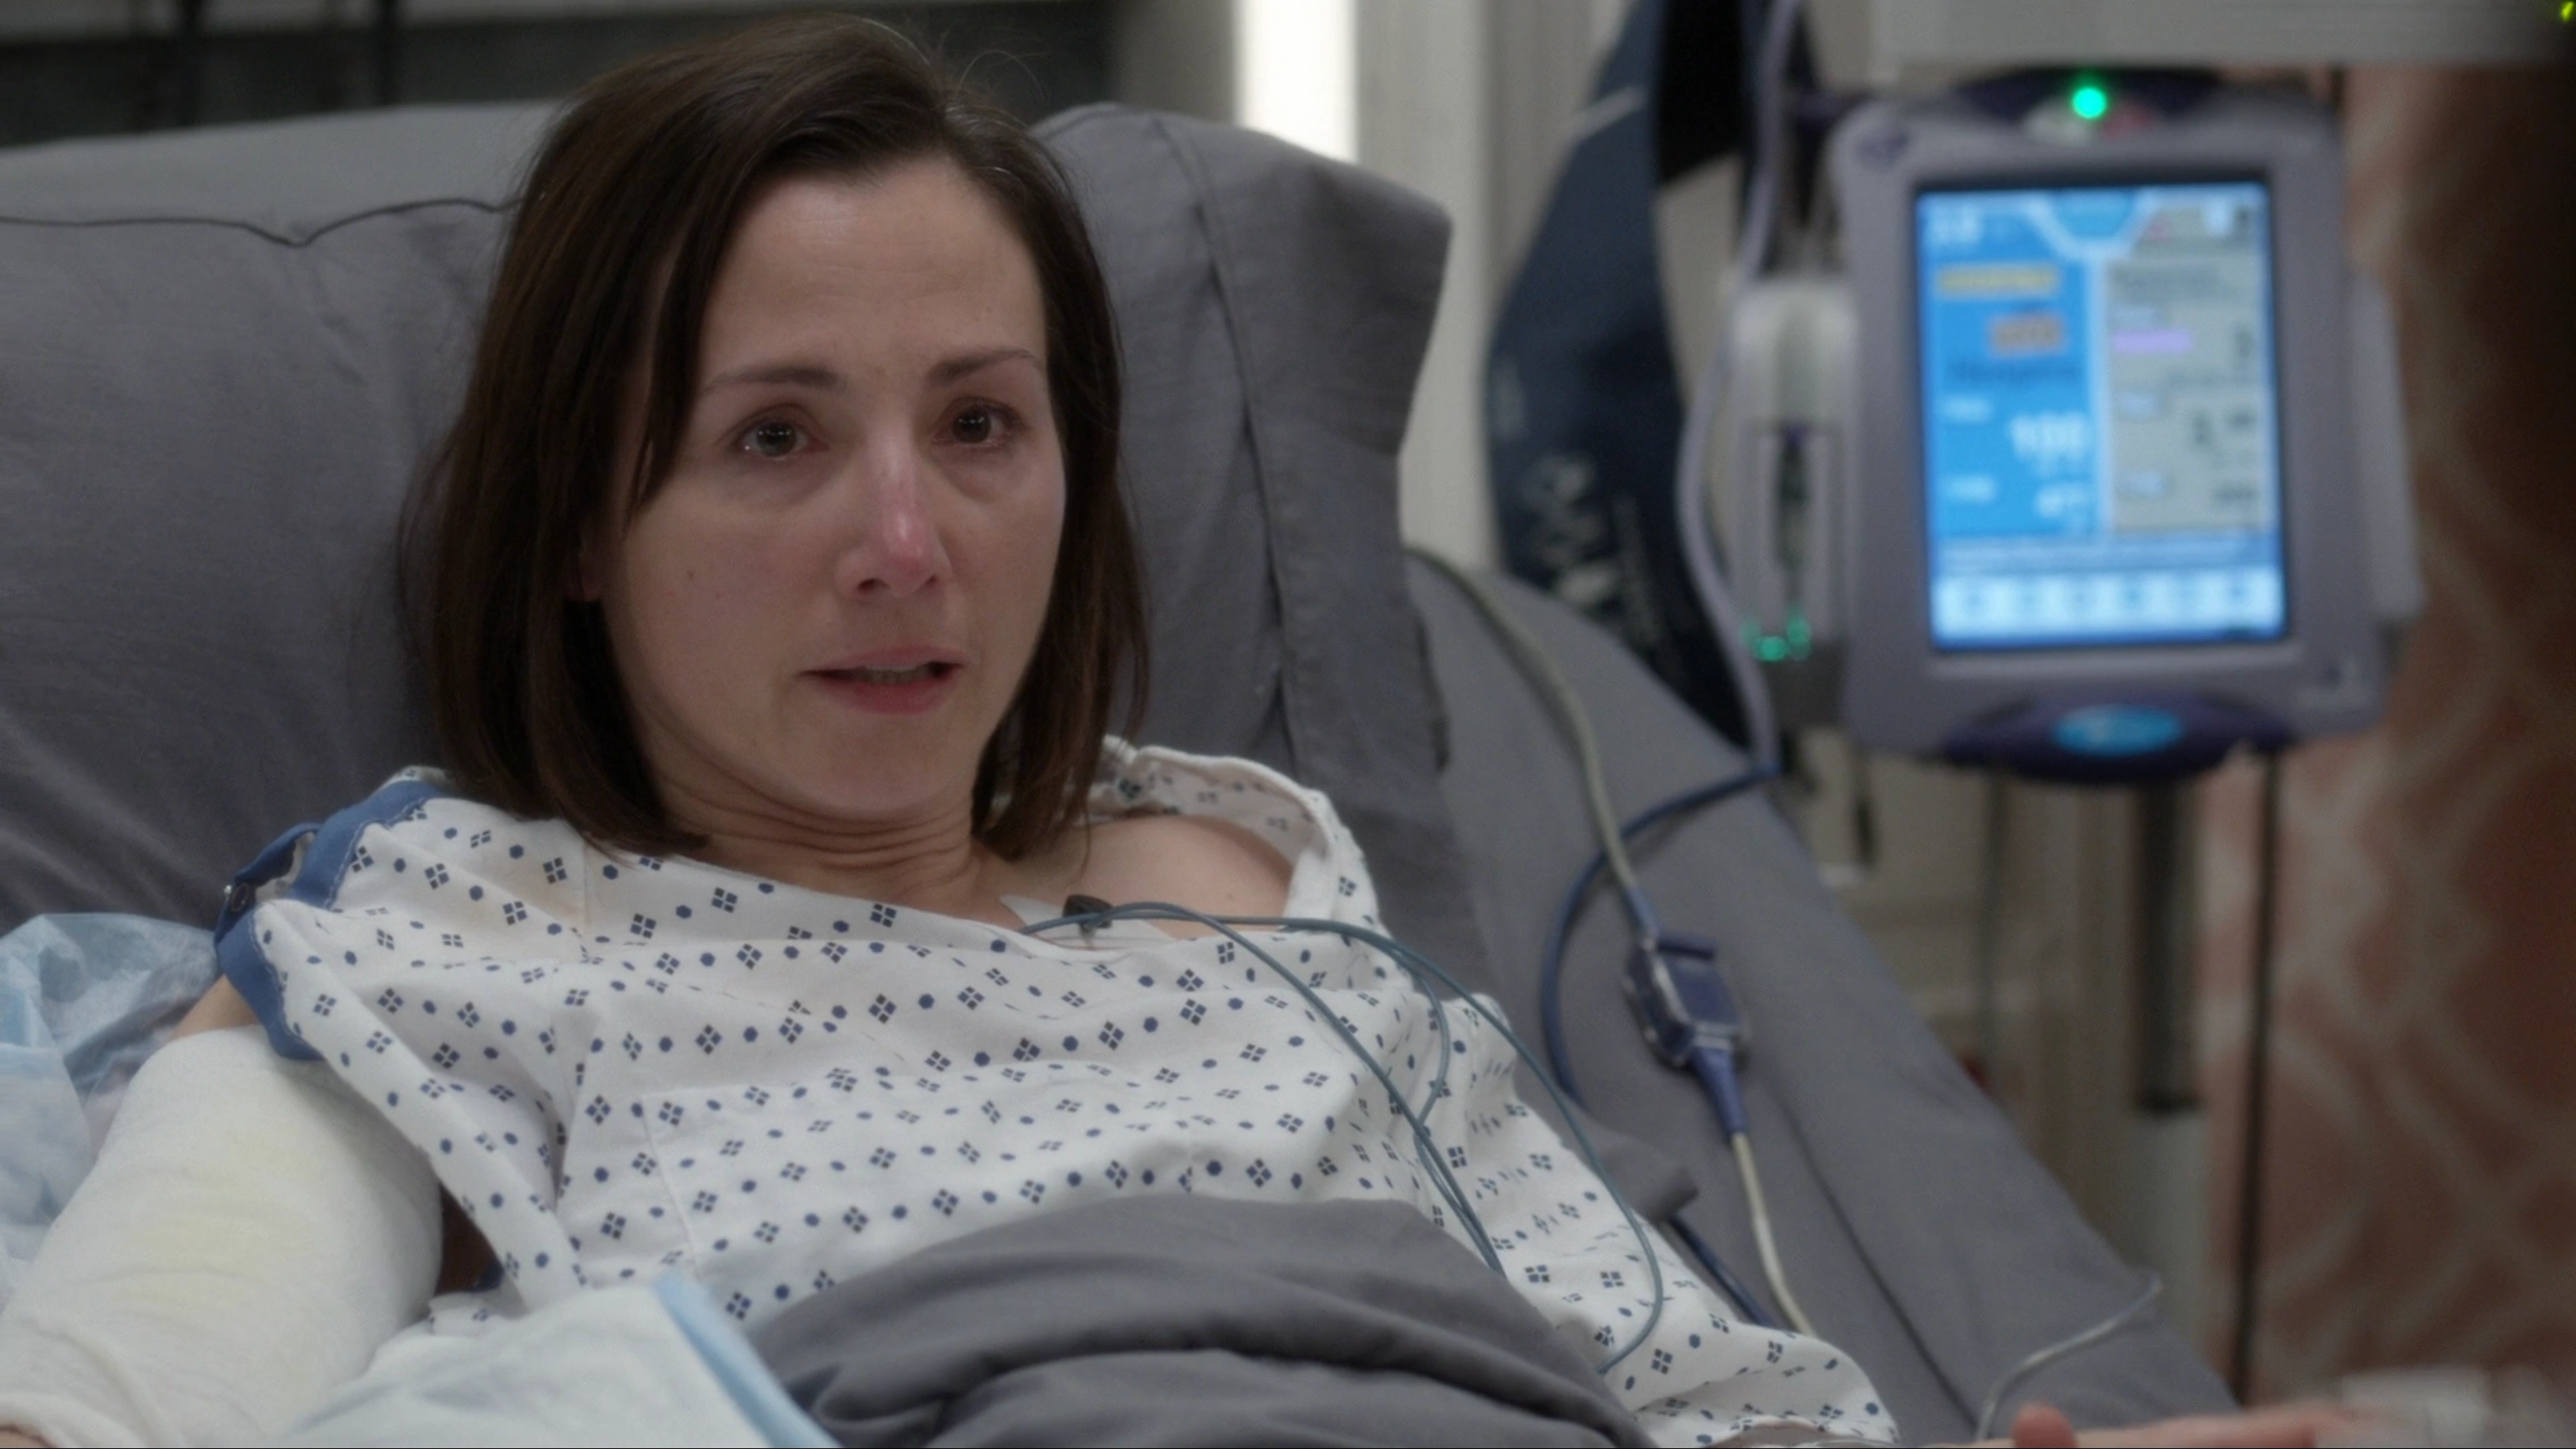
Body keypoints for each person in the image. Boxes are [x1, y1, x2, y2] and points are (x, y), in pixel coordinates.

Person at [0, 16, 2358, 1448]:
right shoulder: (434, 938)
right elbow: (131, 1390)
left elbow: (1705, 1402)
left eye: (982, 425)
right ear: (580, 525)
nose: (908, 544)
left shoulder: (1269, 897)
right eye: (775, 438)